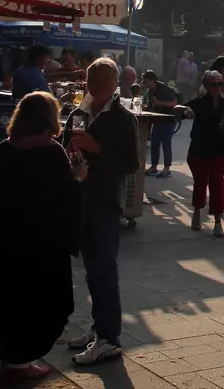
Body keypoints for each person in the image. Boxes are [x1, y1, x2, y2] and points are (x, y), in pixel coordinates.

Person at [0, 91, 82, 382]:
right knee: (46, 302)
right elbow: (66, 195)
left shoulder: (7, 148)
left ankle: (11, 359)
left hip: (12, 238)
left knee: (12, 298)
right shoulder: (52, 152)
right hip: (46, 244)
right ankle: (24, 363)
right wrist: (79, 175)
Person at [64, 57, 139, 366]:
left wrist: (98, 150)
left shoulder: (123, 117)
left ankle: (109, 338)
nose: (93, 85)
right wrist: (70, 154)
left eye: (100, 80)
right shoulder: (78, 112)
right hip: (80, 198)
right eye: (90, 79)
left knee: (104, 269)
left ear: (114, 83)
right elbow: (65, 144)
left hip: (106, 200)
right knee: (91, 269)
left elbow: (131, 164)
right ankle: (99, 327)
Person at [173, 69, 224, 236]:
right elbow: (177, 108)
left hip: (219, 148)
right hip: (199, 148)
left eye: (220, 84)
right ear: (205, 85)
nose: (217, 87)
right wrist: (184, 109)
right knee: (200, 182)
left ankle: (218, 222)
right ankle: (197, 213)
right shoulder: (199, 102)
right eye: (213, 84)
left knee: (217, 185)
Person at [144, 70, 178, 178]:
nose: (145, 85)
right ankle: (154, 167)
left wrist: (160, 103)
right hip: (157, 119)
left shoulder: (164, 90)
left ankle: (167, 168)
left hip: (169, 119)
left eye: (146, 82)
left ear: (153, 80)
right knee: (155, 142)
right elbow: (151, 104)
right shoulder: (150, 91)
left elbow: (174, 102)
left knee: (166, 143)